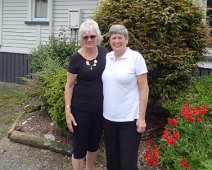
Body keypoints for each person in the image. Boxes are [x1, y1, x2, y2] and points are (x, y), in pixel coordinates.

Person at [102, 24, 149, 170]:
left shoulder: (135, 58)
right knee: (112, 162)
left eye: (120, 38)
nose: (116, 41)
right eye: (113, 38)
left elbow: (144, 88)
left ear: (126, 40)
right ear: (110, 40)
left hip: (129, 120)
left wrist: (141, 117)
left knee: (127, 164)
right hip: (108, 119)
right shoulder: (107, 57)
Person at [64, 19, 107, 170]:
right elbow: (69, 86)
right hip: (80, 110)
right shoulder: (76, 58)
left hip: (100, 109)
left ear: (98, 37)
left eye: (92, 36)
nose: (89, 39)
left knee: (94, 144)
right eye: (85, 37)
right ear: (81, 38)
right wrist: (68, 110)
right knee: (79, 147)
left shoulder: (104, 53)